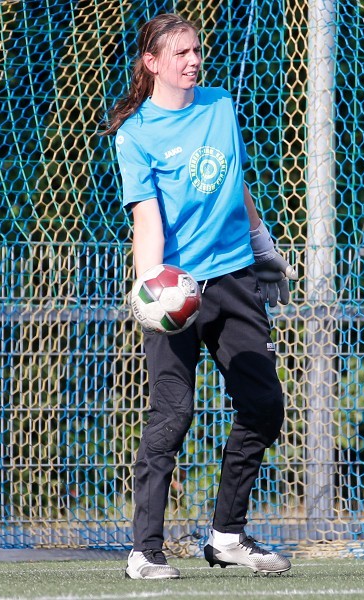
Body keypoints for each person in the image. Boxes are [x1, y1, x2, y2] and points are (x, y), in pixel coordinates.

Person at [99, 13, 297, 580]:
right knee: (173, 413)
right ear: (151, 63)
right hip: (176, 289)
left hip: (235, 279)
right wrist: (151, 288)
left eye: (195, 50)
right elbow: (147, 220)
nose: (191, 61)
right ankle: (145, 550)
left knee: (264, 406)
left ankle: (227, 536)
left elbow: (236, 184)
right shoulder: (135, 134)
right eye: (179, 53)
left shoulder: (220, 106)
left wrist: (264, 247)